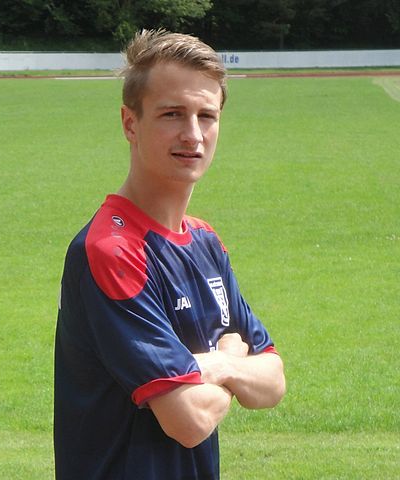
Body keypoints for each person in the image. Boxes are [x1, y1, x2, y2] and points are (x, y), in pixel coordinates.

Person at [54, 29, 286, 480]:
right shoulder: (111, 251)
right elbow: (188, 420)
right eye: (172, 114)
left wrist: (212, 367)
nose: (193, 134)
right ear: (130, 123)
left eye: (207, 115)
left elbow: (273, 381)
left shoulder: (205, 240)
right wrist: (231, 362)